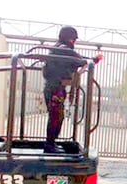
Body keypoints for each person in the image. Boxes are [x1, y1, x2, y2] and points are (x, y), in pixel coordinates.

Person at [42, 25, 102, 153]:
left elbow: (77, 58)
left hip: (55, 88)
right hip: (55, 88)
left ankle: (51, 144)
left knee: (57, 115)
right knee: (56, 116)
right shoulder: (63, 49)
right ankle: (49, 145)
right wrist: (94, 60)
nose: (74, 42)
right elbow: (78, 59)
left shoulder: (58, 48)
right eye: (73, 39)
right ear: (68, 38)